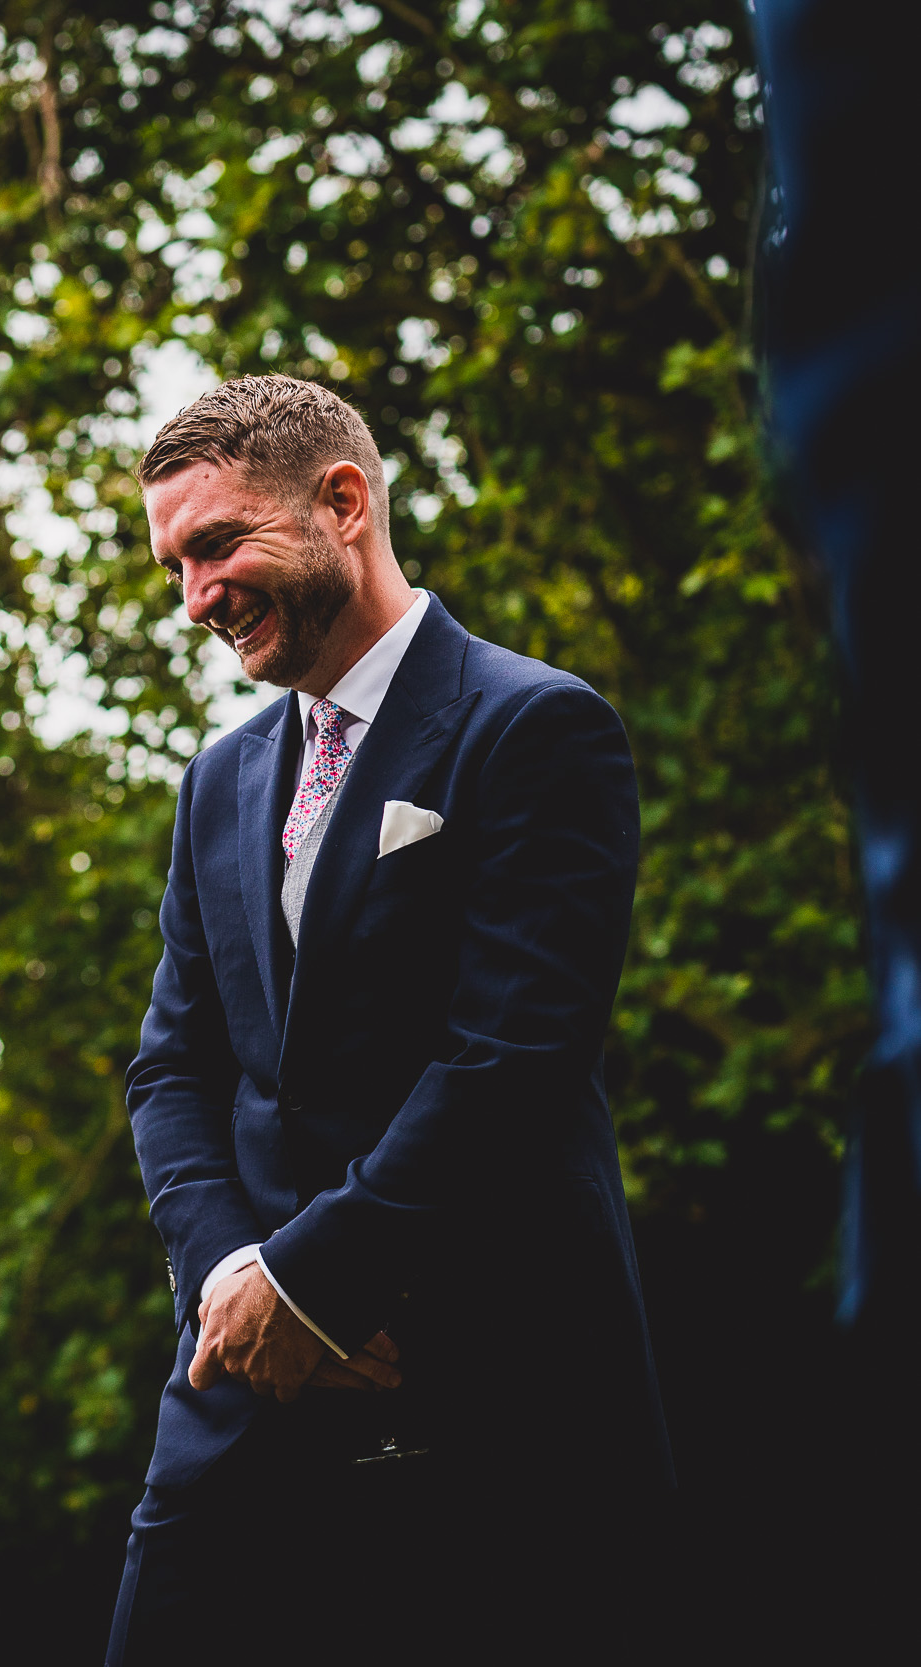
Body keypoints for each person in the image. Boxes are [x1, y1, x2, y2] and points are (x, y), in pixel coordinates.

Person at [107, 378, 670, 1662]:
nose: (192, 595)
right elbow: (171, 1067)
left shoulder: (534, 725)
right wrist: (235, 1282)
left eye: (215, 545)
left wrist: (319, 1280)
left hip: (491, 1395)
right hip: (237, 1395)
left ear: (342, 502)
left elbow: (513, 1055)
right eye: (172, 564)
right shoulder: (218, 781)